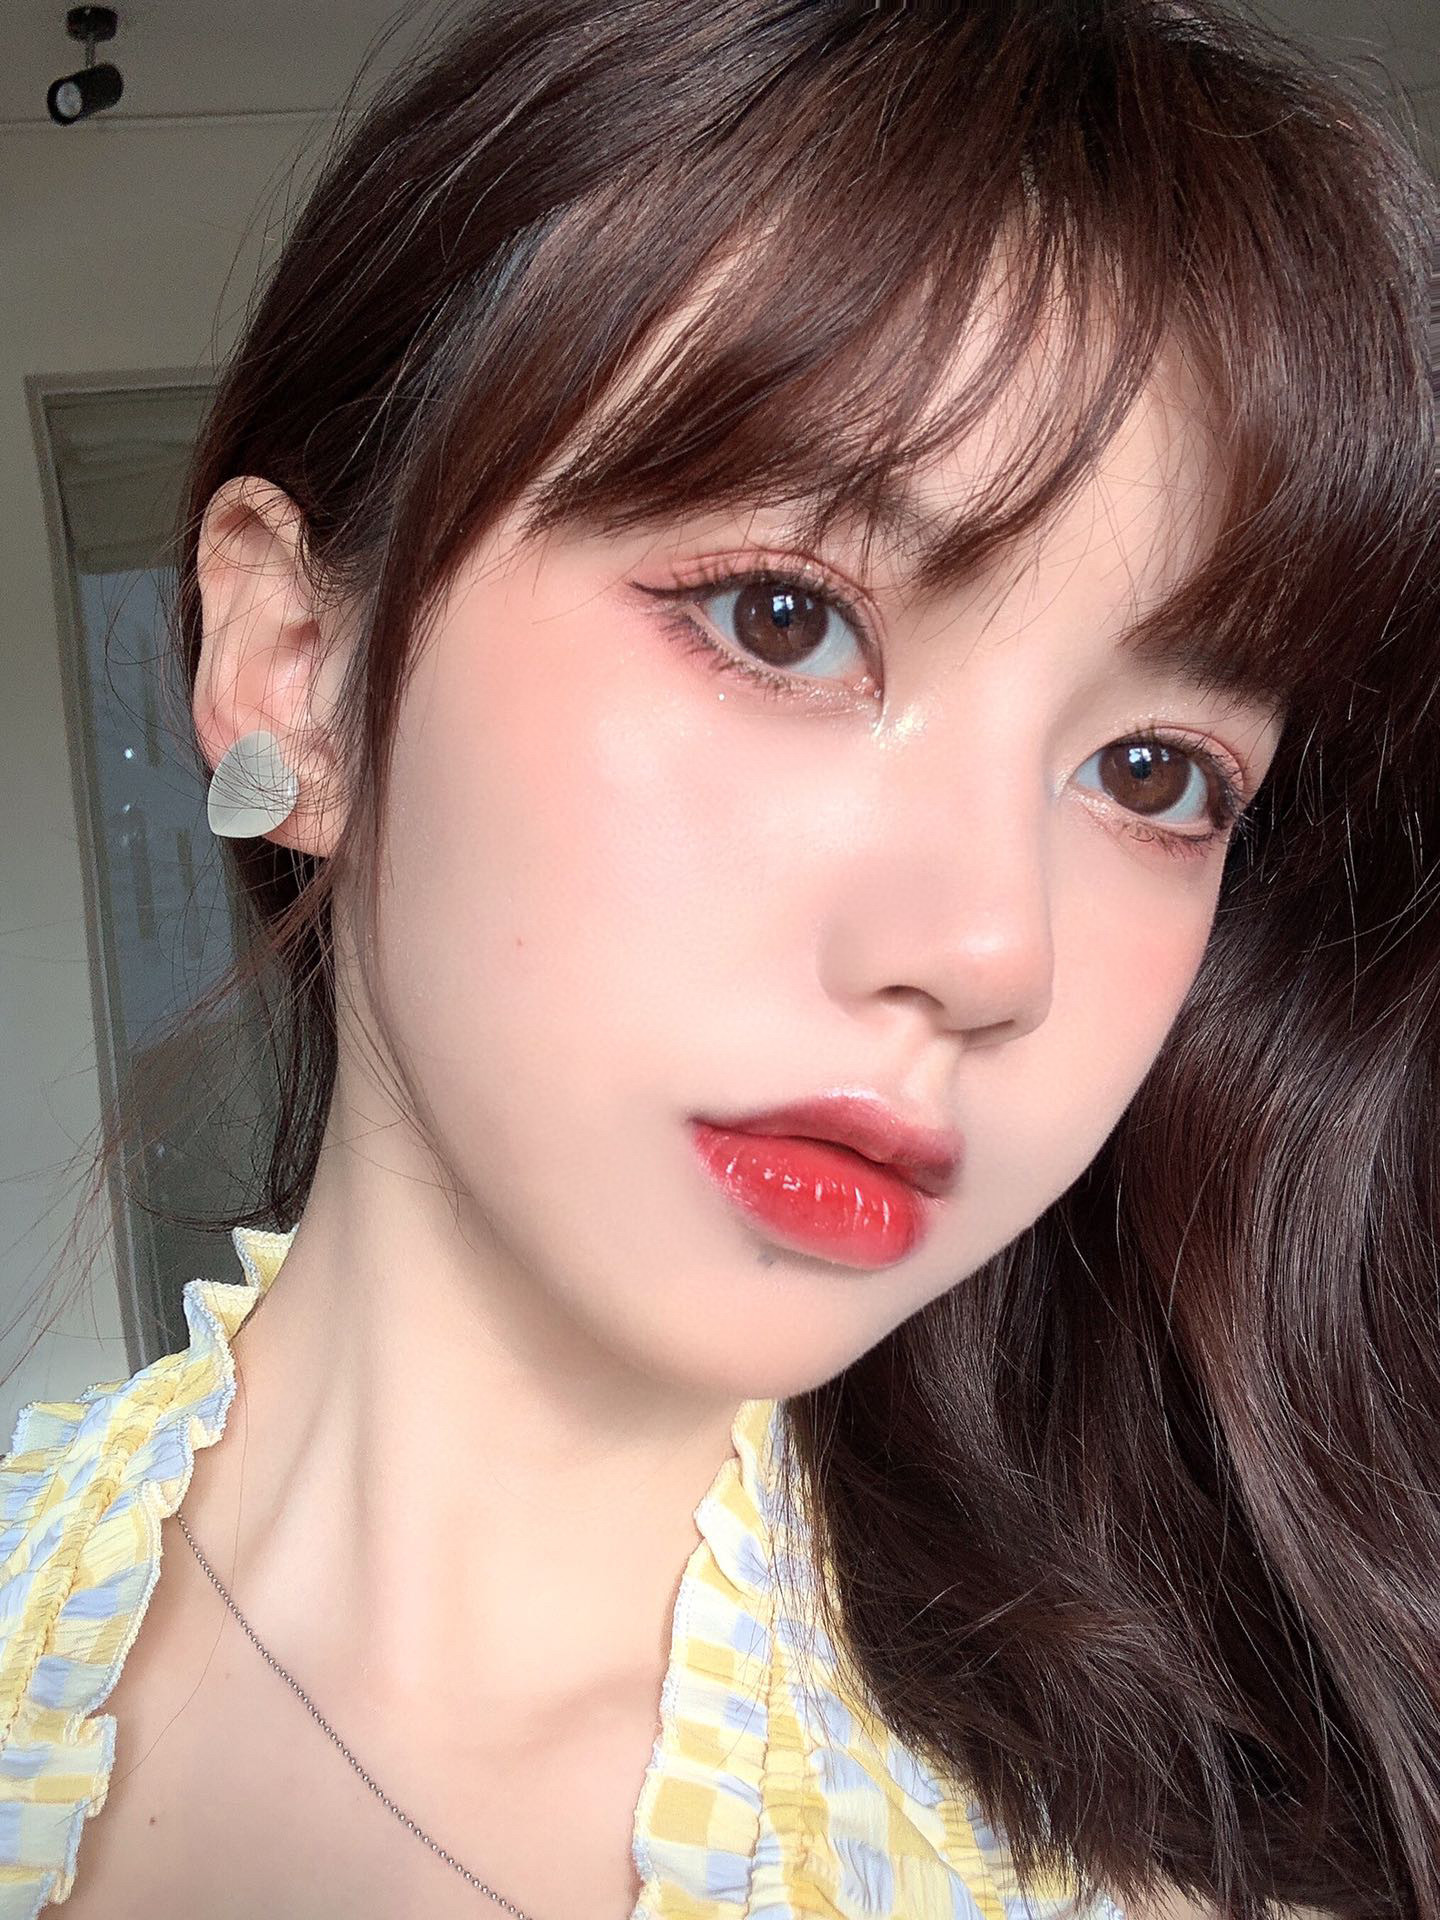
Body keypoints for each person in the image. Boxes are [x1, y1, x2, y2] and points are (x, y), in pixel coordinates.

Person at [2, 1, 1436, 1916]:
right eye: (783, 619)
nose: (988, 950)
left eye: (1154, 775)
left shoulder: (1193, 1866)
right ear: (296, 665)